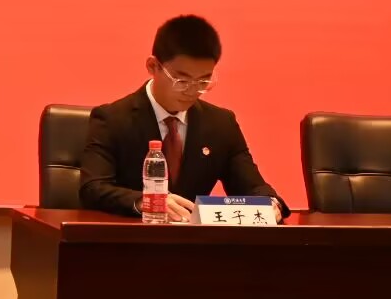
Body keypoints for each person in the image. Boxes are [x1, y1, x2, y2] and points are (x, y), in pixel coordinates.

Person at [80, 15, 286, 221]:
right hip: (131, 234)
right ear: (153, 66)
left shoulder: (221, 124)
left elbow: (252, 186)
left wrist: (270, 203)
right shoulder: (112, 119)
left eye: (203, 81)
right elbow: (93, 188)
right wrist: (147, 201)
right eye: (181, 81)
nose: (192, 91)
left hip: (195, 238)